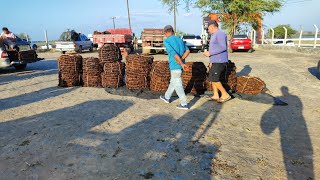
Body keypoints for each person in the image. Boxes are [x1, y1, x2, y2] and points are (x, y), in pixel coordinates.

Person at [160, 25, 190, 110]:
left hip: (175, 66)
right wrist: (182, 60)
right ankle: (167, 97)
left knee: (178, 84)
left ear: (165, 32)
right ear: (172, 31)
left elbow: (173, 53)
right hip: (180, 66)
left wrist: (181, 63)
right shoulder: (179, 40)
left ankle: (184, 104)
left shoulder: (167, 41)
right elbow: (188, 50)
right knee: (173, 81)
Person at [203, 20, 231, 103]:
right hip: (215, 61)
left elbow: (223, 47)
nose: (208, 30)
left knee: (215, 78)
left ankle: (225, 95)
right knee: (212, 78)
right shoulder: (214, 35)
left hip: (220, 61)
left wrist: (210, 53)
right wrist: (211, 61)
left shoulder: (220, 34)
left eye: (208, 29)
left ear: (212, 26)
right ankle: (216, 95)